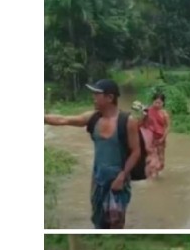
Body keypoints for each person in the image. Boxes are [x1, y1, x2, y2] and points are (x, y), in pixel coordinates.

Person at [44, 79, 141, 229]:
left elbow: (136, 152)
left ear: (109, 98)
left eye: (97, 94)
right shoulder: (93, 118)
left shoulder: (127, 121)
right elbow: (63, 119)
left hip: (119, 180)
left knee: (116, 222)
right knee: (98, 220)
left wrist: (122, 176)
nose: (93, 98)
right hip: (98, 179)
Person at [140, 92, 170, 178]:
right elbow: (142, 123)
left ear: (163, 103)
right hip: (150, 139)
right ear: (152, 102)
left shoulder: (164, 114)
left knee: (161, 161)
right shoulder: (148, 111)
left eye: (159, 103)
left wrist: (163, 138)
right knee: (150, 158)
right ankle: (151, 173)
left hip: (160, 138)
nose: (157, 105)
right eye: (155, 102)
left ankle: (156, 171)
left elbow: (167, 127)